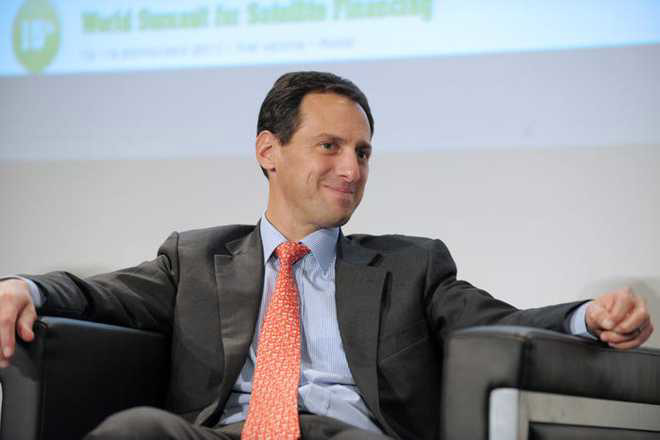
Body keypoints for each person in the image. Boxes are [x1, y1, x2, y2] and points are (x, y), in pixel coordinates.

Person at [0, 71, 653, 440]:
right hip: (225, 434)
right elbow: (104, 295)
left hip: (347, 435)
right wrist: (24, 288)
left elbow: (490, 320)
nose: (352, 169)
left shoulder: (411, 266)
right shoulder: (196, 258)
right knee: (137, 431)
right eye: (330, 147)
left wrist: (585, 317)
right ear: (269, 151)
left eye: (363, 152)